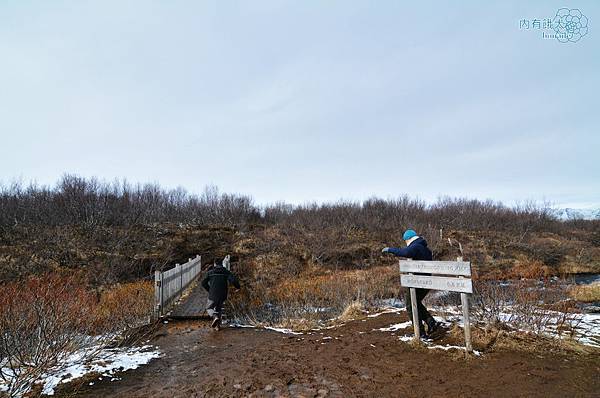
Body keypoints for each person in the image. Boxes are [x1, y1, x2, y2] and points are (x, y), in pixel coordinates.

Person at [381, 229, 439, 337]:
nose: (406, 244)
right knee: (415, 302)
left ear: (408, 239)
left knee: (410, 305)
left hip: (417, 282)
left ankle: (420, 332)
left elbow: (406, 252)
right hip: (427, 282)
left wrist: (390, 249)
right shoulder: (426, 248)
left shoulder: (416, 246)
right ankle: (431, 322)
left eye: (406, 241)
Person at [201, 258, 240, 330]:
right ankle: (217, 326)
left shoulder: (210, 272)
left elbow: (203, 283)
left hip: (213, 294)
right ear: (222, 263)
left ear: (215, 264)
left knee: (209, 308)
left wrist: (209, 290)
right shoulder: (226, 272)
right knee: (218, 309)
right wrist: (238, 287)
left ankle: (215, 316)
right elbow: (233, 280)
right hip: (223, 294)